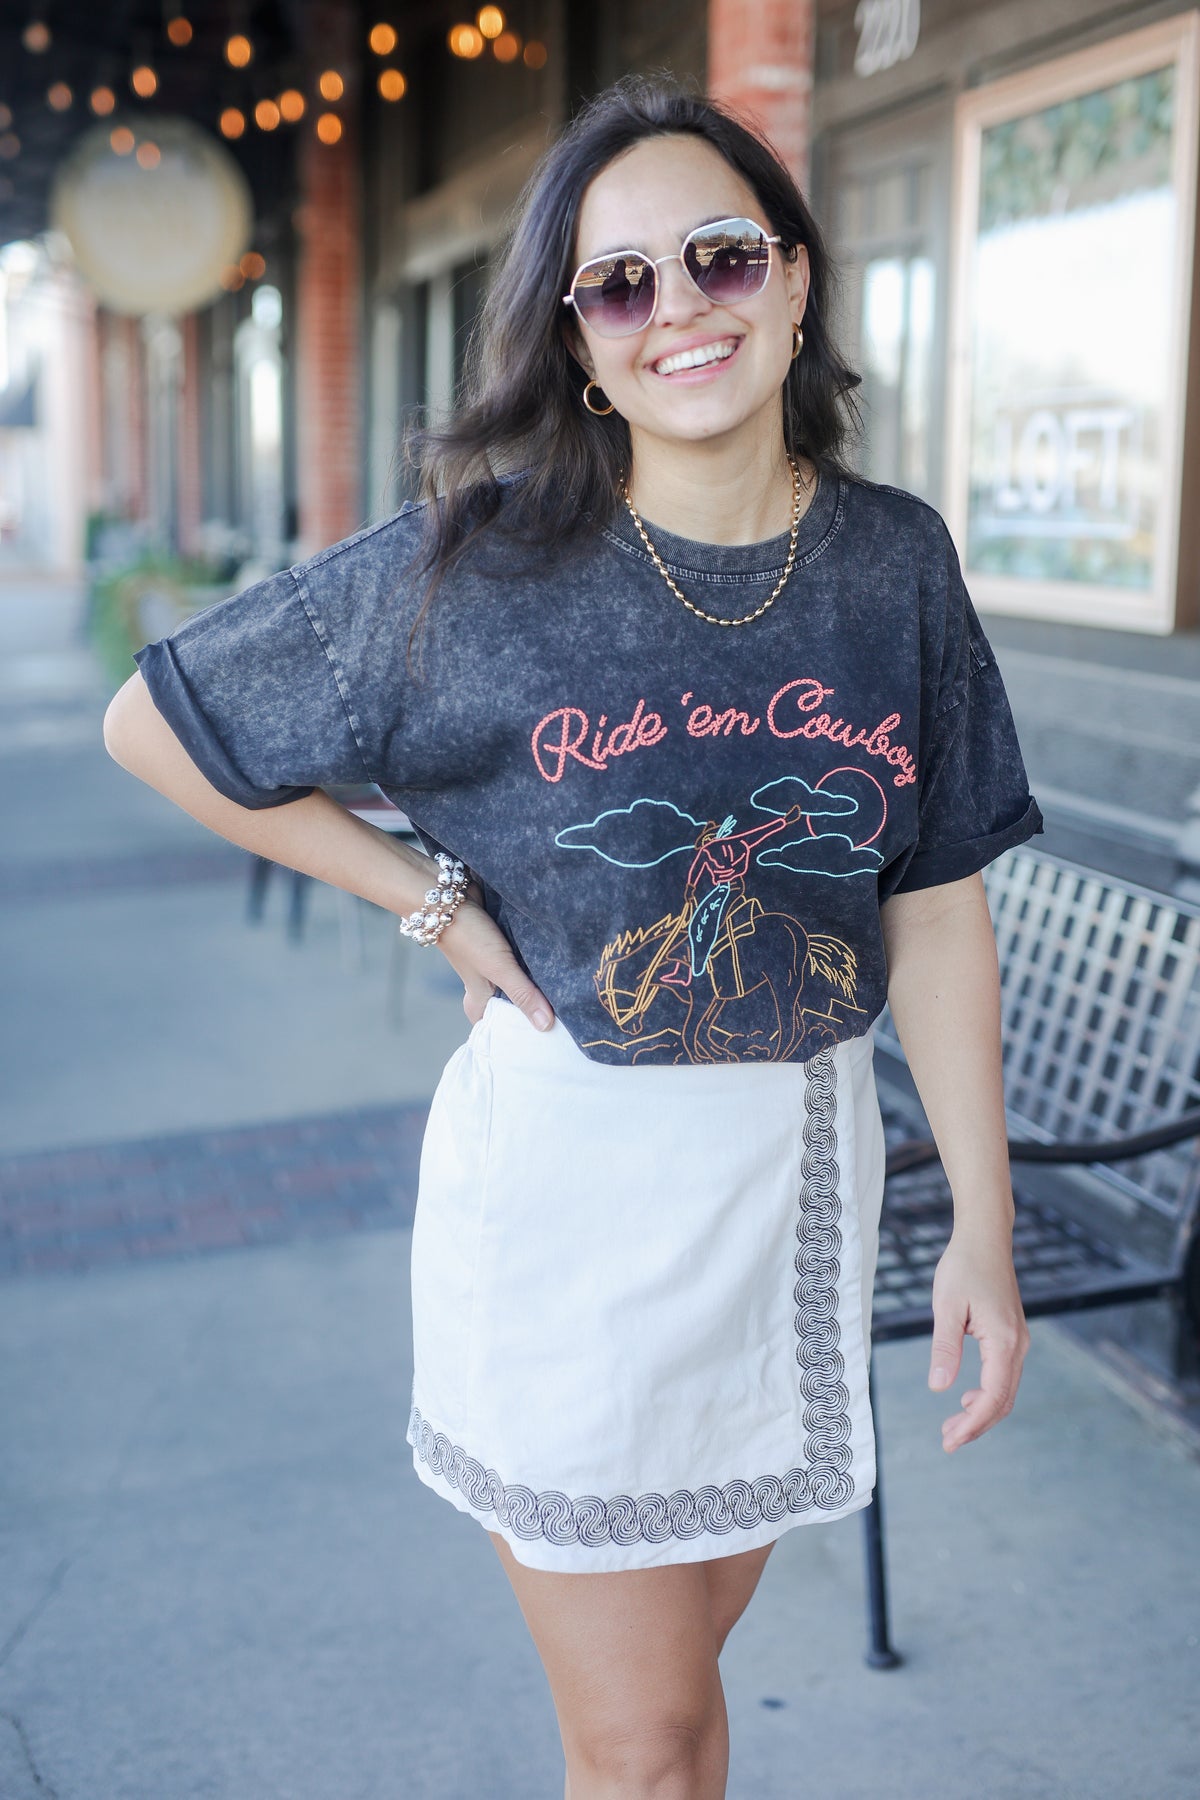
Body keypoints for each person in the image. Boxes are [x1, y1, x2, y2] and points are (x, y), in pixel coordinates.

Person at [104, 76, 1042, 1800]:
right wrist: (433, 901)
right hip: (575, 1204)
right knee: (652, 1748)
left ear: (796, 278)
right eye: (622, 283)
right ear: (577, 336)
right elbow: (155, 731)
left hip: (804, 1193)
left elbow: (937, 897)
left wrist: (982, 1222)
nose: (679, 306)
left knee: (664, 1733)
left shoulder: (895, 565)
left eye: (720, 256)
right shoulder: (481, 566)